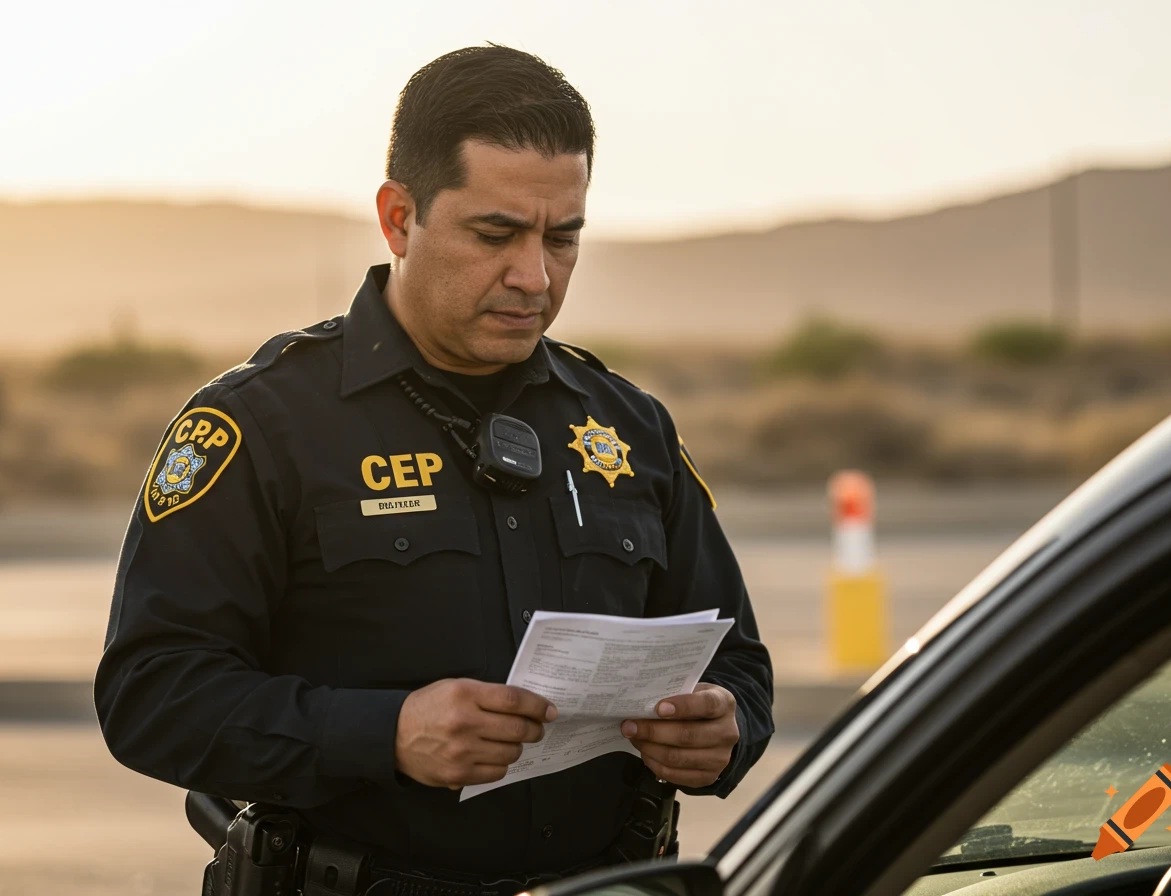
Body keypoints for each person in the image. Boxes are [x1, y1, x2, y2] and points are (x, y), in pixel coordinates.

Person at [94, 44, 773, 887]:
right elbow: (151, 696)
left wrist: (725, 726)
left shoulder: (628, 427)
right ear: (397, 218)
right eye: (496, 234)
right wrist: (386, 734)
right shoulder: (261, 424)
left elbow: (737, 661)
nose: (535, 275)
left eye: (563, 238)